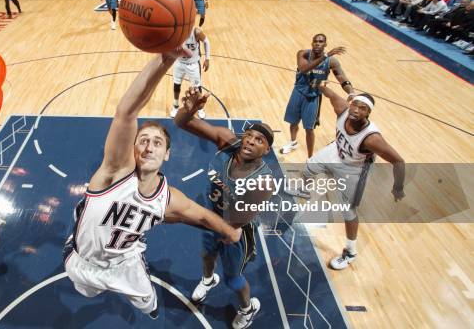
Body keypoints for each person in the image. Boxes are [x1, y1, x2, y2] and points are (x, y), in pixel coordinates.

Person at [63, 47, 242, 319]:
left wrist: (230, 232)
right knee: (86, 291)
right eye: (143, 140)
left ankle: (148, 305)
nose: (148, 147)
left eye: (157, 143)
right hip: (81, 261)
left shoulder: (168, 198)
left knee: (149, 303)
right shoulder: (114, 172)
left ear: (167, 154)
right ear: (131, 148)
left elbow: (203, 216)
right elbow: (126, 112)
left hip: (126, 265)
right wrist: (166, 58)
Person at [174, 87, 275, 329]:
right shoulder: (227, 140)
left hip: (236, 230)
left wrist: (188, 216)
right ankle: (208, 280)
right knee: (207, 255)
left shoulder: (263, 181)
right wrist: (189, 110)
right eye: (249, 135)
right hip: (211, 214)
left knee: (233, 279)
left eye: (259, 140)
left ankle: (247, 309)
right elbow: (181, 123)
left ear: (267, 150)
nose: (250, 141)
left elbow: (237, 223)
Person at [295, 83, 405, 270]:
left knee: (348, 211)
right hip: (336, 151)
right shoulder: (342, 108)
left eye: (362, 108)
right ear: (350, 103)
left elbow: (399, 161)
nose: (356, 110)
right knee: (308, 168)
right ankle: (302, 191)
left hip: (354, 168)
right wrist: (318, 86)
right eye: (355, 104)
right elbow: (330, 93)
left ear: (368, 114)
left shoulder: (372, 139)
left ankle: (351, 252)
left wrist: (398, 187)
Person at [280, 34, 353, 158]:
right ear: (312, 43)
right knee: (293, 122)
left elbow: (341, 78)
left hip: (313, 97)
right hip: (298, 92)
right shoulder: (303, 54)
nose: (318, 43)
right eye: (315, 41)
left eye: (321, 42)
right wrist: (325, 56)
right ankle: (293, 143)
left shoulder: (331, 61)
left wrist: (351, 92)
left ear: (325, 44)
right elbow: (304, 69)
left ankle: (310, 158)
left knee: (309, 129)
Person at [169, 27, 210, 119]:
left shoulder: (196, 32)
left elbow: (206, 42)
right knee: (176, 85)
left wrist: (207, 59)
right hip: (179, 63)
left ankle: (200, 109)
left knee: (197, 88)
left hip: (193, 64)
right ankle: (175, 106)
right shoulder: (175, 31)